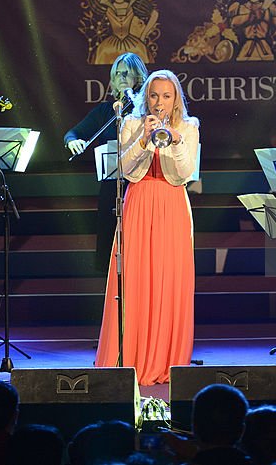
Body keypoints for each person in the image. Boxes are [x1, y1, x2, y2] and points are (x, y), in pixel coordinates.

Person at [93, 69, 199, 385]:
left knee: (170, 279)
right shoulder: (130, 124)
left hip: (172, 204)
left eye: (166, 96)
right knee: (135, 279)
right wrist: (142, 139)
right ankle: (131, 356)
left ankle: (167, 360)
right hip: (138, 203)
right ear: (146, 97)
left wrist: (176, 140)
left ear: (176, 98)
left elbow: (183, 173)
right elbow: (125, 170)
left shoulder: (189, 127)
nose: (159, 103)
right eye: (154, 96)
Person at [64, 52, 149, 273]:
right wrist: (73, 142)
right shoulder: (105, 111)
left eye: (126, 73)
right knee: (110, 241)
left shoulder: (144, 110)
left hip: (138, 185)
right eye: (117, 73)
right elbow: (73, 133)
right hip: (112, 186)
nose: (121, 77)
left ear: (137, 77)